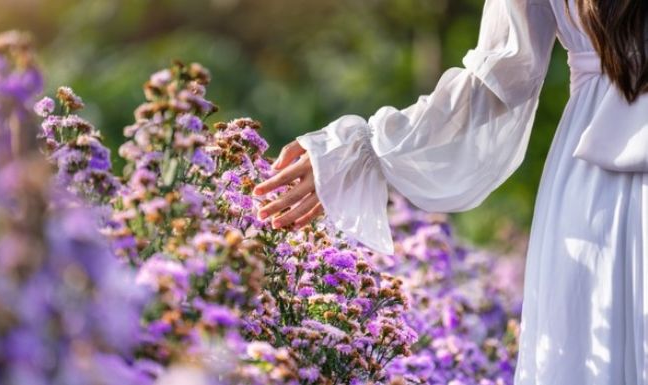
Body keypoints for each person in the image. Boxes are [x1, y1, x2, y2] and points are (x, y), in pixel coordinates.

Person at [252, 0, 647, 383]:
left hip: (593, 180)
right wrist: (362, 151)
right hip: (598, 186)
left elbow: (496, 80)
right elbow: (496, 79)